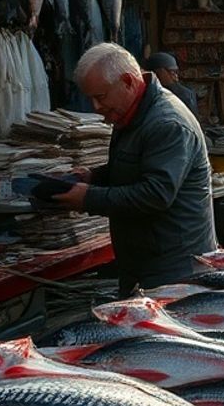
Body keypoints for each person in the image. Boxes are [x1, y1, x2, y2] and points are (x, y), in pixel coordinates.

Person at [53, 43, 215, 296]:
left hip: (174, 268)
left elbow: (155, 194)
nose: (95, 107)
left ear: (128, 81)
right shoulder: (130, 112)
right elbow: (134, 168)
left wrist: (88, 198)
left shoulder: (167, 123)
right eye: (91, 98)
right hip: (143, 262)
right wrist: (93, 177)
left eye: (101, 96)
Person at [145, 52, 198, 118]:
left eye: (176, 72)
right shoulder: (146, 94)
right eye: (172, 72)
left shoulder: (185, 95)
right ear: (160, 72)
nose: (176, 77)